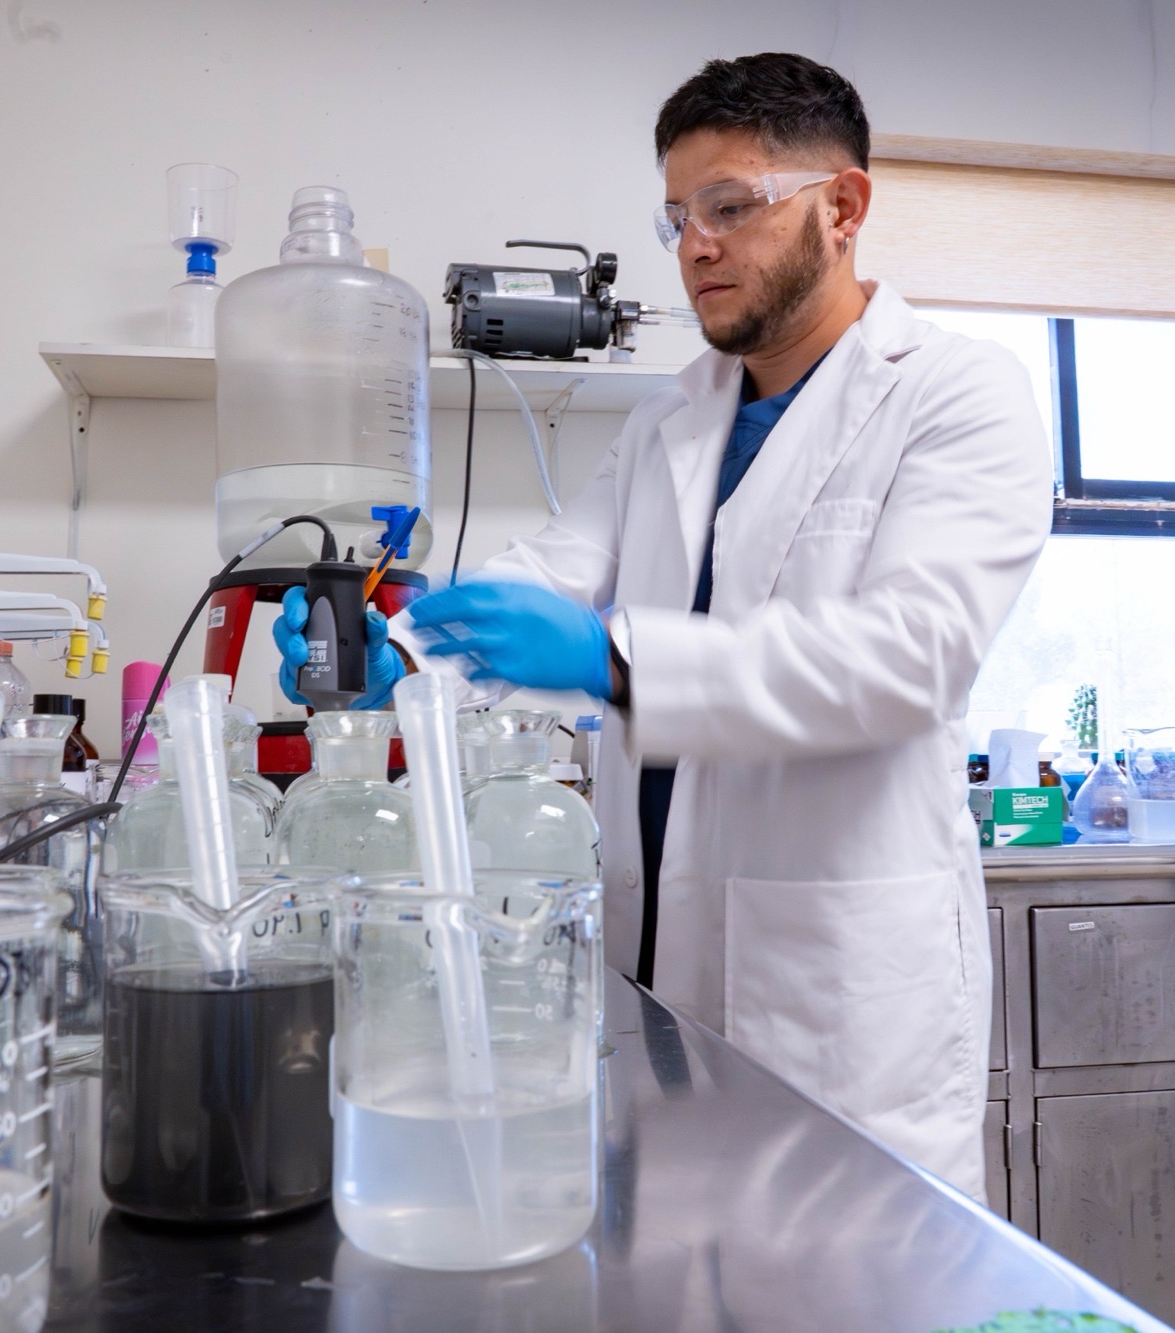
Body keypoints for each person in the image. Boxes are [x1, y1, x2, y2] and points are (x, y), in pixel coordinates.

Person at [274, 52, 1050, 1197]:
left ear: (842, 208)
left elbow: (909, 655)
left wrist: (613, 657)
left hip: (836, 995)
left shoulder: (955, 393)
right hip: (655, 967)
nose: (695, 245)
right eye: (678, 216)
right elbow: (549, 574)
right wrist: (394, 653)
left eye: (730, 207)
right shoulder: (667, 424)